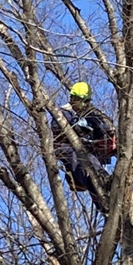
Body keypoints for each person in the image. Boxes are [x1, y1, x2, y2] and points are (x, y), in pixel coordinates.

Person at [51, 81, 116, 213]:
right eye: (82, 101)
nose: (84, 104)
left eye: (87, 101)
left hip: (91, 155)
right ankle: (102, 182)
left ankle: (106, 194)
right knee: (82, 159)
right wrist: (79, 130)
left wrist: (105, 132)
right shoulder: (64, 113)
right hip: (70, 152)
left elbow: (104, 128)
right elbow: (57, 130)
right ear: (73, 98)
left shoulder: (91, 115)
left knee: (91, 166)